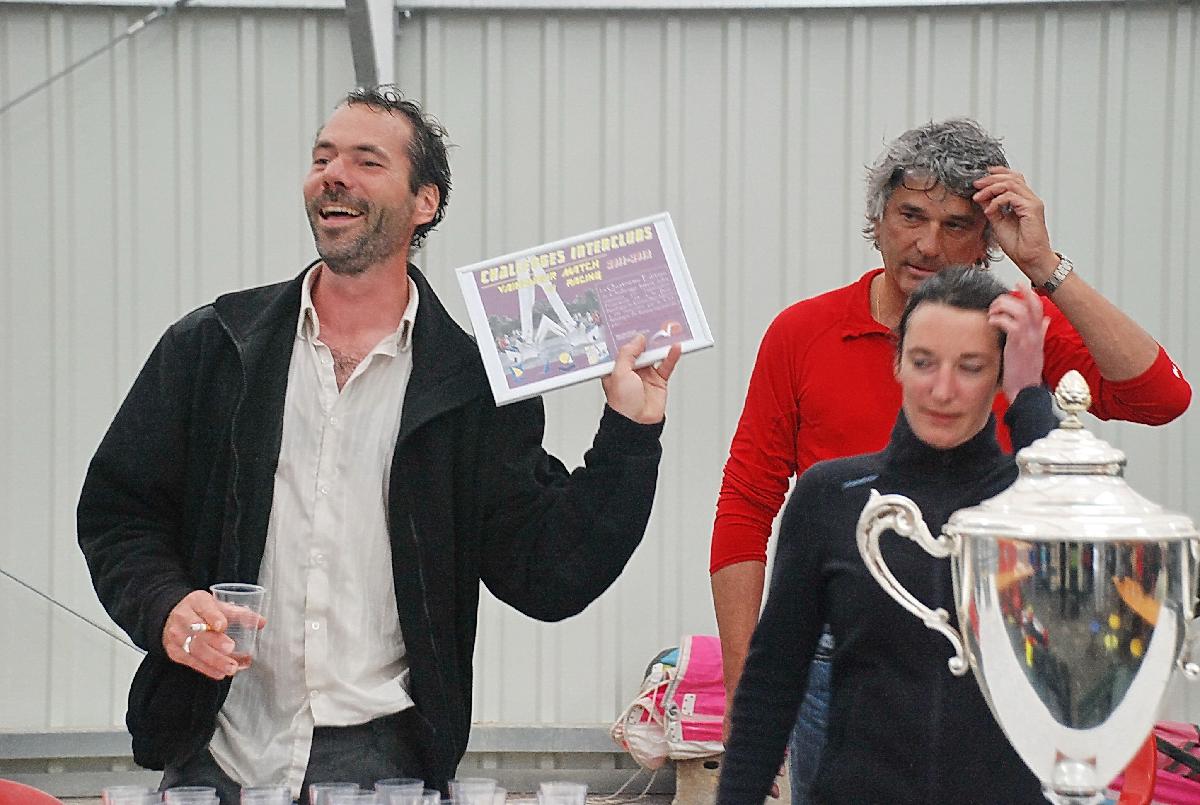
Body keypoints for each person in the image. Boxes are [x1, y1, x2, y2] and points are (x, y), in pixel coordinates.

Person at [77, 85, 681, 803]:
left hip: (384, 760)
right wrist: (167, 605)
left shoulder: (472, 384)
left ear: (425, 201)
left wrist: (630, 432)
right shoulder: (214, 347)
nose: (334, 176)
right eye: (322, 158)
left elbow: (549, 573)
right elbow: (120, 514)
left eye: (367, 161)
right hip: (215, 748)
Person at [709, 118, 1191, 803]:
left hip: (999, 647)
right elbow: (746, 504)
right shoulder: (803, 335)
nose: (928, 244)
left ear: (987, 239)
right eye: (911, 216)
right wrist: (743, 694)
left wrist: (1044, 267)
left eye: (957, 224)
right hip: (835, 650)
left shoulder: (1014, 330)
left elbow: (1160, 396)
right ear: (878, 220)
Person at [717, 266, 1060, 804]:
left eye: (971, 368)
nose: (942, 391)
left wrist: (1030, 396)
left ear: (999, 376)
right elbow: (772, 682)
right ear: (896, 362)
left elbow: (1069, 515)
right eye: (923, 362)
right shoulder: (832, 496)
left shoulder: (1028, 499)